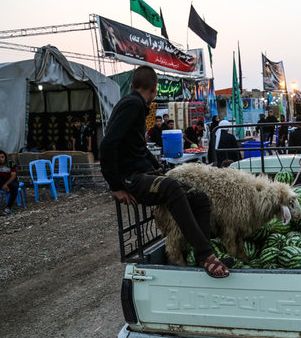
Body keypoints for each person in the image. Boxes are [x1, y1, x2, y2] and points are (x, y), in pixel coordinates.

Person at [99, 65, 231, 278]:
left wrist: (159, 168)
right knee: (171, 189)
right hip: (132, 179)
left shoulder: (134, 105)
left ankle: (200, 250)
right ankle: (206, 255)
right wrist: (115, 185)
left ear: (133, 85)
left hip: (144, 174)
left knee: (199, 198)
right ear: (154, 89)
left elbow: (138, 149)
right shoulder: (133, 104)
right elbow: (106, 146)